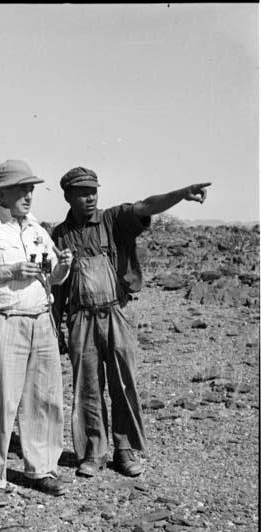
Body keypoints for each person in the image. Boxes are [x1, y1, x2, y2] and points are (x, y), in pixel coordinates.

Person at [52, 166, 211, 479]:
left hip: (116, 314)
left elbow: (146, 206)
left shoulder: (113, 220)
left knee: (124, 383)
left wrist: (180, 195)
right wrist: (57, 324)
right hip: (81, 318)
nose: (89, 197)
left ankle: (125, 450)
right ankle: (94, 452)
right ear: (68, 196)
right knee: (87, 387)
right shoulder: (58, 234)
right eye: (82, 192)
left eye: (93, 191)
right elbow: (57, 286)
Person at [0, 159, 73, 507]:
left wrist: (63, 268)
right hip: (7, 319)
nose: (29, 195)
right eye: (22, 188)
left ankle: (43, 470)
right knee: (0, 398)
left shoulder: (38, 230)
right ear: (2, 192)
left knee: (45, 397)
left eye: (31, 188)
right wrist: (7, 270)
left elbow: (51, 276)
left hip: (41, 319)